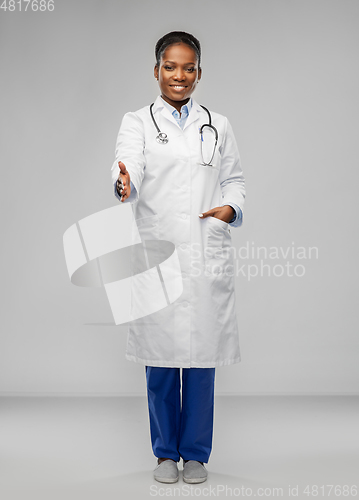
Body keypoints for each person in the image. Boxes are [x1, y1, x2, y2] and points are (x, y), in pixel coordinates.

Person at [110, 31, 246, 484]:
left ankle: (197, 455)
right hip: (159, 252)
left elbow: (236, 182)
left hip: (205, 251)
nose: (179, 76)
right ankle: (166, 453)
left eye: (189, 68)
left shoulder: (218, 124)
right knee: (162, 361)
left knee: (201, 360)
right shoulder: (138, 121)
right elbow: (129, 162)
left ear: (199, 74)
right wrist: (124, 180)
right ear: (156, 71)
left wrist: (232, 208)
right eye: (170, 66)